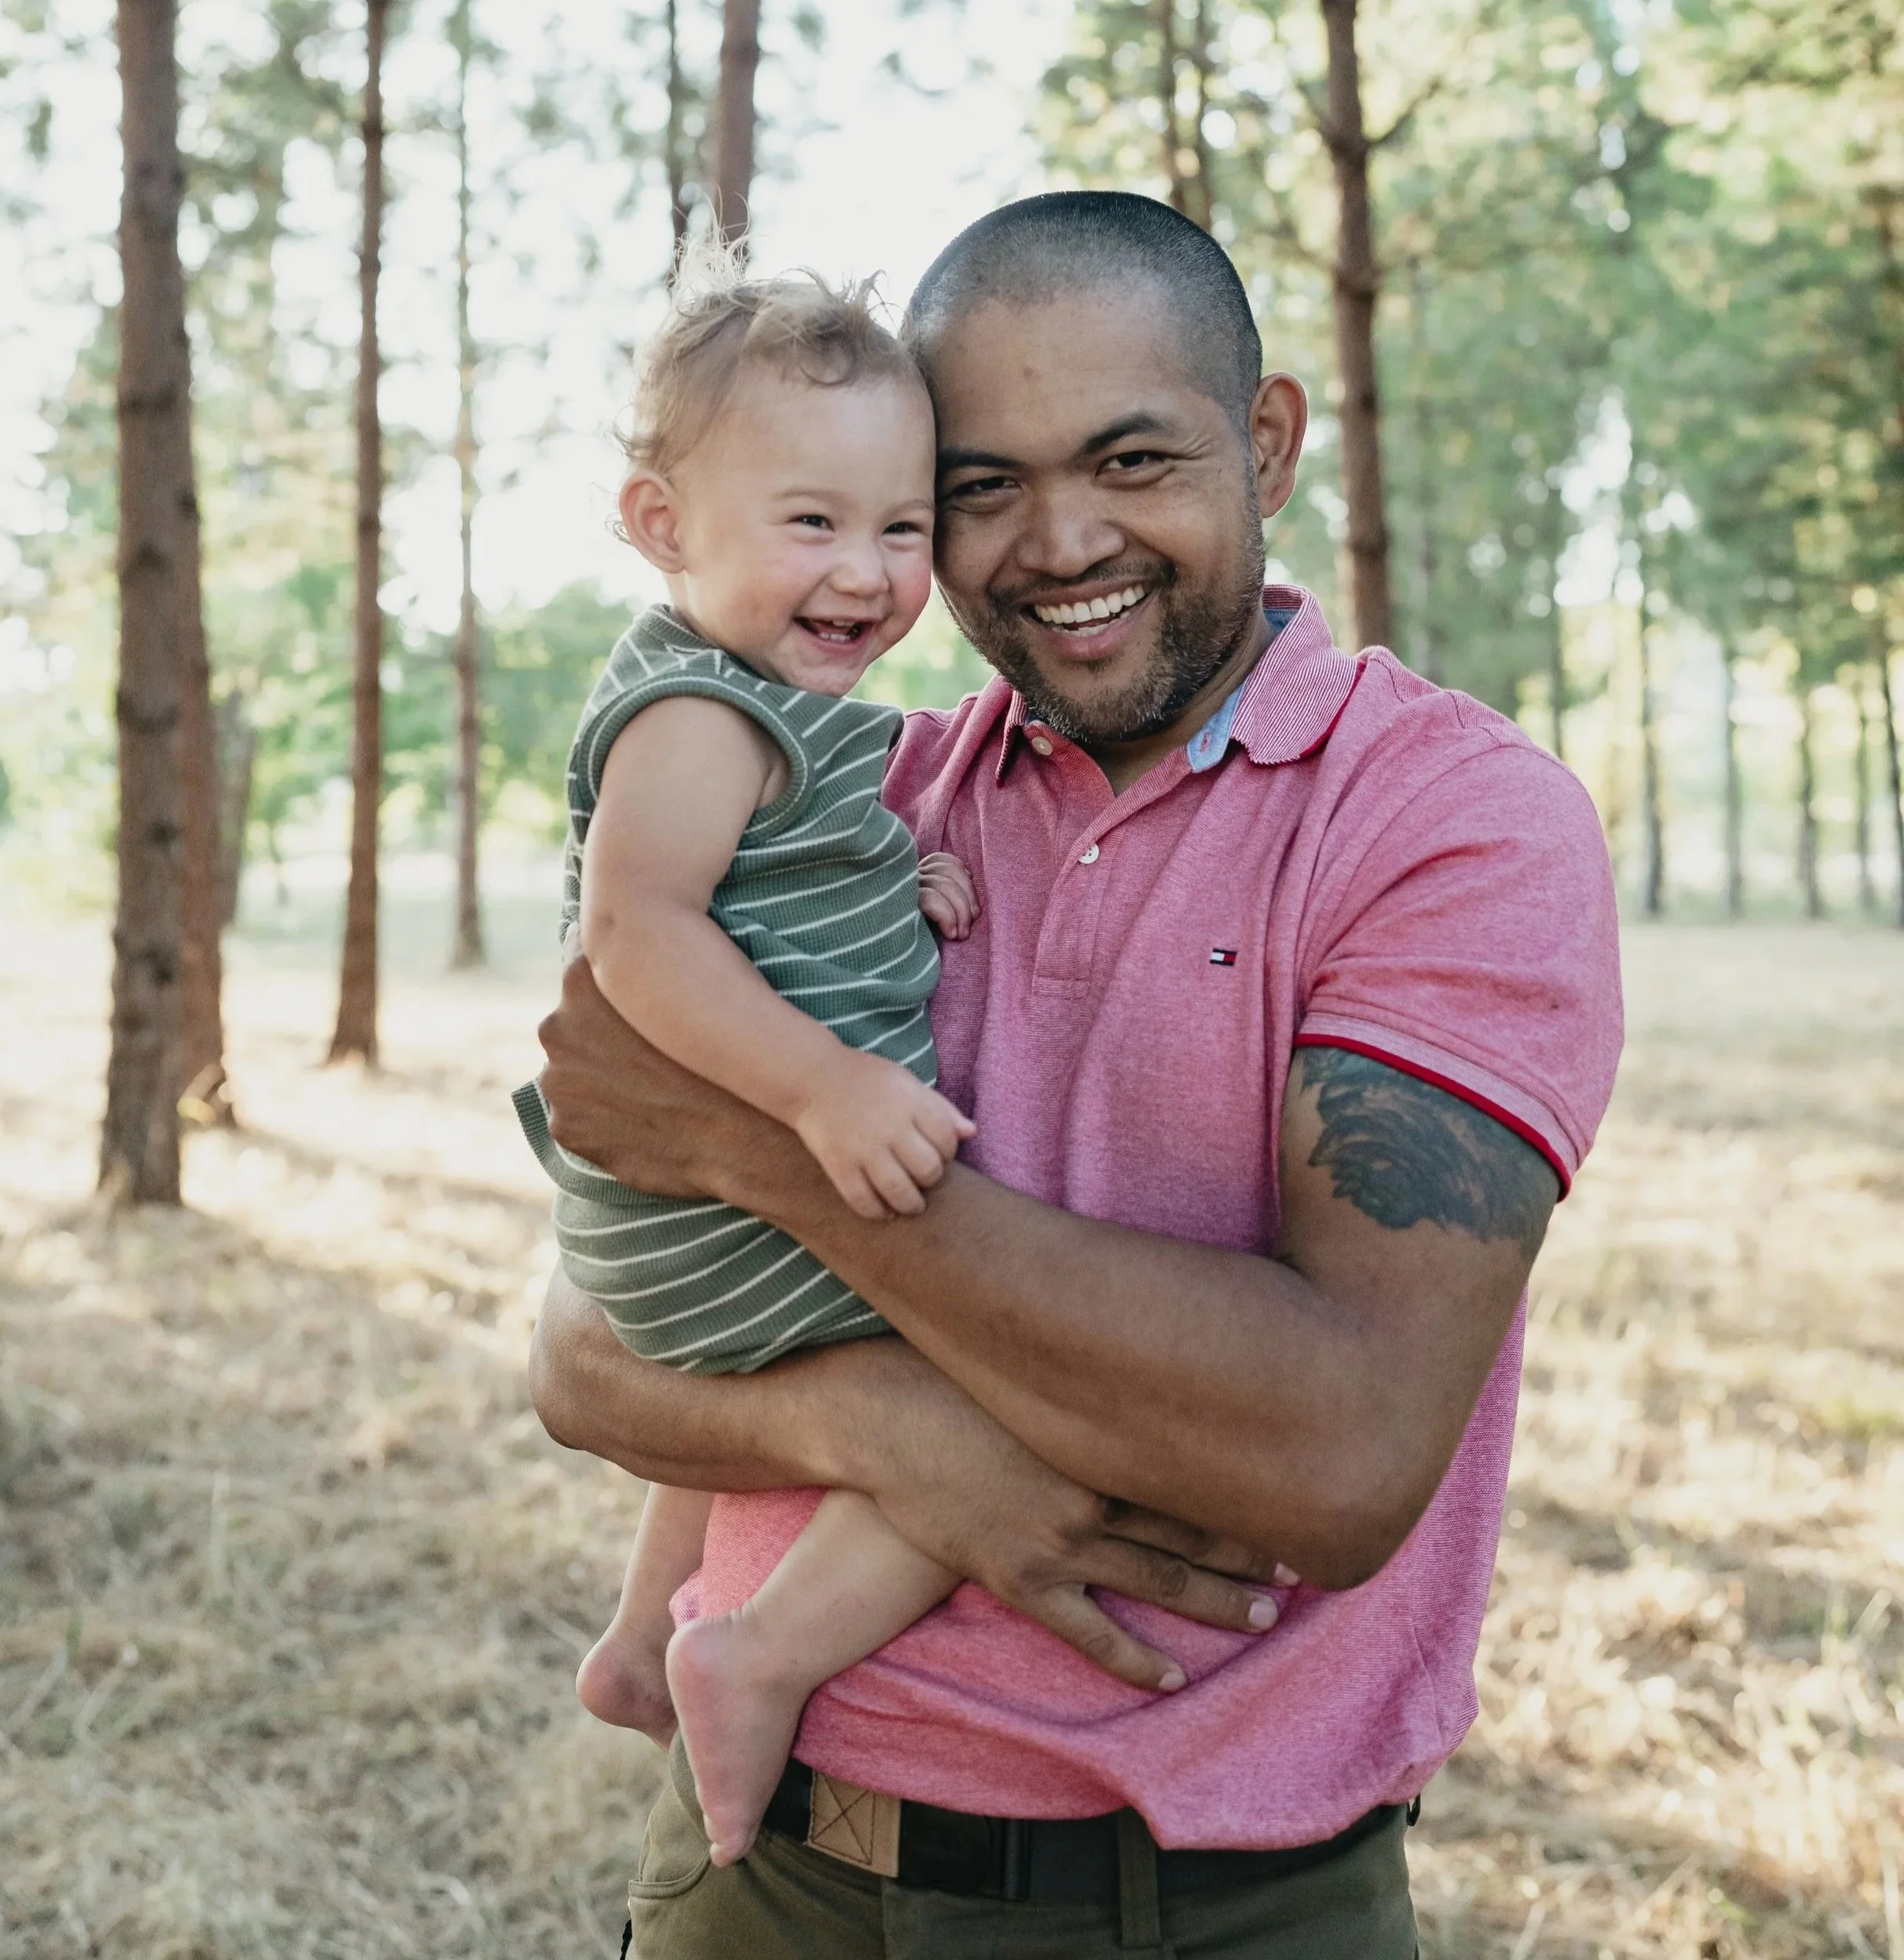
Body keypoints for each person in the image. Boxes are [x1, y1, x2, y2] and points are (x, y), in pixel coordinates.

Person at [529, 192, 1624, 1958]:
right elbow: (580, 1354)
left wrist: (782, 1161)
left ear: (1261, 438)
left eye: (1128, 459)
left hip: (1199, 1903)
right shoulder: (853, 799)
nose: (1056, 540)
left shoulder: (1448, 818)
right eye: (978, 485)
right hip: (760, 1868)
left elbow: (1338, 1450)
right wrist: (888, 1433)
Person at [517, 259, 1183, 1875]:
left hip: (688, 1211)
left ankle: (630, 1633)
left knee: (781, 1384)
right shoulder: (692, 714)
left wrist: (895, 880)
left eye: (899, 528)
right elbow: (641, 937)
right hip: (714, 1202)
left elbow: (775, 876)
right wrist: (822, 1088)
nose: (867, 571)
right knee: (994, 1371)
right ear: (661, 523)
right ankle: (754, 1654)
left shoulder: (776, 708)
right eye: (809, 523)